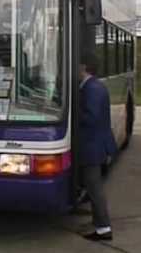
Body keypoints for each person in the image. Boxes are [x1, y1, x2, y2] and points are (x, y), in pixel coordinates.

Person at [78, 52, 117, 241]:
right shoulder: (93, 86)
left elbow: (91, 118)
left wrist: (72, 116)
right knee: (93, 188)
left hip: (92, 147)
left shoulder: (92, 88)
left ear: (83, 67)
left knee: (95, 190)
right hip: (94, 145)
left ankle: (103, 229)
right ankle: (98, 224)